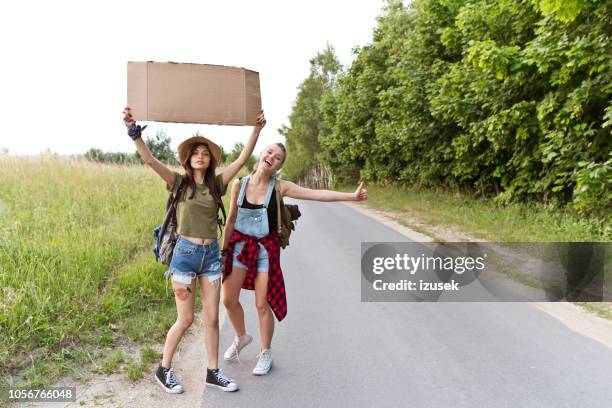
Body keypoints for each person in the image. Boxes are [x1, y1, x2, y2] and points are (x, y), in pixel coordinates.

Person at [122, 106, 266, 393]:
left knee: (212, 318)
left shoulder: (217, 185)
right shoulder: (179, 182)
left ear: (210, 159)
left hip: (211, 258)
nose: (201, 155)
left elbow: (242, 159)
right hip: (184, 257)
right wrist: (133, 132)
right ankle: (164, 369)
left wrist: (257, 130)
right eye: (196, 152)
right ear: (188, 158)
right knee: (186, 318)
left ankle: (213, 372)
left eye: (205, 152)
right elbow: (150, 160)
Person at [220, 143, 367, 375]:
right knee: (228, 300)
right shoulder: (240, 184)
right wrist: (223, 251)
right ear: (261, 154)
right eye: (269, 152)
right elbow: (230, 221)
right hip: (238, 246)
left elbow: (317, 194)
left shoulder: (279, 187)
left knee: (262, 303)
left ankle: (265, 352)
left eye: (277, 157)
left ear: (279, 166)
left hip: (265, 249)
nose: (271, 157)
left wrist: (352, 196)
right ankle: (241, 336)